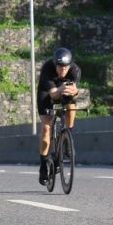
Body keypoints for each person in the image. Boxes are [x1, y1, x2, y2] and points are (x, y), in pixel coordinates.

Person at [37, 47, 81, 185]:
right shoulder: (47, 69)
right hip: (48, 92)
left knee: (71, 104)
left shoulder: (75, 70)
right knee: (46, 127)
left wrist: (75, 91)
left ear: (70, 65)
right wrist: (61, 89)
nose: (63, 69)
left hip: (64, 91)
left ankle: (68, 135)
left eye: (65, 67)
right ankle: (43, 165)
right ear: (55, 64)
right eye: (60, 66)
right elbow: (54, 94)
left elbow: (76, 92)